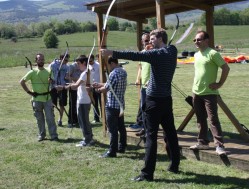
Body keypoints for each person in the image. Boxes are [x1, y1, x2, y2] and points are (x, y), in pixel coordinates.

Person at [100, 28, 180, 181]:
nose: (150, 41)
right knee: (170, 133)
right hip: (166, 100)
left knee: (150, 137)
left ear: (160, 38)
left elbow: (134, 55)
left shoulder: (155, 55)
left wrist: (111, 52)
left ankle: (147, 174)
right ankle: (174, 165)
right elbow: (163, 53)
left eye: (152, 38)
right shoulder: (172, 50)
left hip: (154, 101)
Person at [189, 30, 230, 156]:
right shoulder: (196, 55)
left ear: (207, 40)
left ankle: (219, 146)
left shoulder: (213, 53)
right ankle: (202, 143)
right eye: (195, 40)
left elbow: (226, 68)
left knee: (213, 119)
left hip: (209, 93)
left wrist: (219, 84)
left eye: (199, 39)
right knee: (200, 119)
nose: (196, 42)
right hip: (196, 92)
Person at [93, 57, 127, 158]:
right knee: (121, 127)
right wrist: (99, 84)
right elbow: (112, 85)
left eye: (108, 65)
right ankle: (122, 146)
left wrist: (96, 90)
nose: (108, 68)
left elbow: (106, 89)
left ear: (112, 63)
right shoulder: (123, 72)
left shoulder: (113, 73)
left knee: (112, 129)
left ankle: (112, 151)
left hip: (112, 105)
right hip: (120, 105)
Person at [20, 53, 59, 142]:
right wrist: (30, 92)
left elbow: (53, 81)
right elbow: (22, 82)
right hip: (36, 99)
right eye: (39, 59)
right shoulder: (32, 72)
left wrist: (51, 80)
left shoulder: (49, 71)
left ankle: (54, 135)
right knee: (39, 119)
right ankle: (42, 135)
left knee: (50, 118)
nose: (41, 61)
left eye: (42, 59)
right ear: (36, 61)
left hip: (47, 99)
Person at [57, 56, 94, 147]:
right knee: (84, 120)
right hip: (84, 100)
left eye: (79, 63)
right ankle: (89, 138)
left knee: (83, 121)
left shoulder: (85, 73)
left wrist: (63, 87)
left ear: (84, 63)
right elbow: (78, 84)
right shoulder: (86, 72)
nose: (78, 66)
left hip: (83, 101)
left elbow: (75, 86)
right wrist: (71, 84)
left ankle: (87, 140)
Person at [134, 32, 151, 136]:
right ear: (142, 42)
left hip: (152, 86)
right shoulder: (142, 53)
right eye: (145, 41)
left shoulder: (154, 52)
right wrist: (137, 79)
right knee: (143, 107)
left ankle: (151, 129)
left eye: (149, 40)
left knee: (152, 109)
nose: (147, 42)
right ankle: (144, 128)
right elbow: (140, 67)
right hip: (144, 86)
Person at [48, 53, 69, 126]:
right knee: (52, 104)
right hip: (53, 87)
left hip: (62, 88)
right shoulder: (53, 65)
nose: (66, 61)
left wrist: (65, 85)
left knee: (62, 104)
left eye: (67, 60)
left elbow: (67, 78)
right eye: (65, 60)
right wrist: (51, 81)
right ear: (61, 58)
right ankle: (52, 118)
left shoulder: (66, 67)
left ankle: (60, 119)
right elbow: (48, 75)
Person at [66, 55, 85, 128]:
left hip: (81, 89)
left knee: (79, 105)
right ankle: (70, 121)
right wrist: (77, 80)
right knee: (72, 105)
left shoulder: (84, 67)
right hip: (73, 88)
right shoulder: (72, 66)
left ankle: (77, 120)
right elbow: (67, 76)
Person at [89, 54, 101, 123]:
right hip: (92, 86)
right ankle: (96, 118)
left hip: (99, 86)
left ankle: (104, 117)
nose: (90, 62)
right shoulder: (88, 66)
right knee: (94, 103)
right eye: (89, 61)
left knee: (101, 103)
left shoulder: (98, 65)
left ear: (93, 59)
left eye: (91, 61)